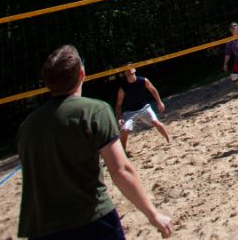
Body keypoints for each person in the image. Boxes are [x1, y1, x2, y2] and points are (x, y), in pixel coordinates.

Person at [18, 45, 173, 239]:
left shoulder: (27, 127)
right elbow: (120, 171)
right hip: (91, 220)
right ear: (82, 73)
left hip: (40, 228)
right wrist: (153, 214)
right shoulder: (94, 111)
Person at [114, 67, 171, 154]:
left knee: (157, 123)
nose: (129, 69)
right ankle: (124, 150)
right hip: (130, 112)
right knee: (124, 129)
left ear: (135, 70)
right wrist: (119, 118)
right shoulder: (123, 87)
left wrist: (159, 102)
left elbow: (153, 90)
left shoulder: (143, 80)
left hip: (144, 108)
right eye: (127, 69)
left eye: (131, 67)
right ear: (124, 73)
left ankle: (169, 140)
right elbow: (118, 105)